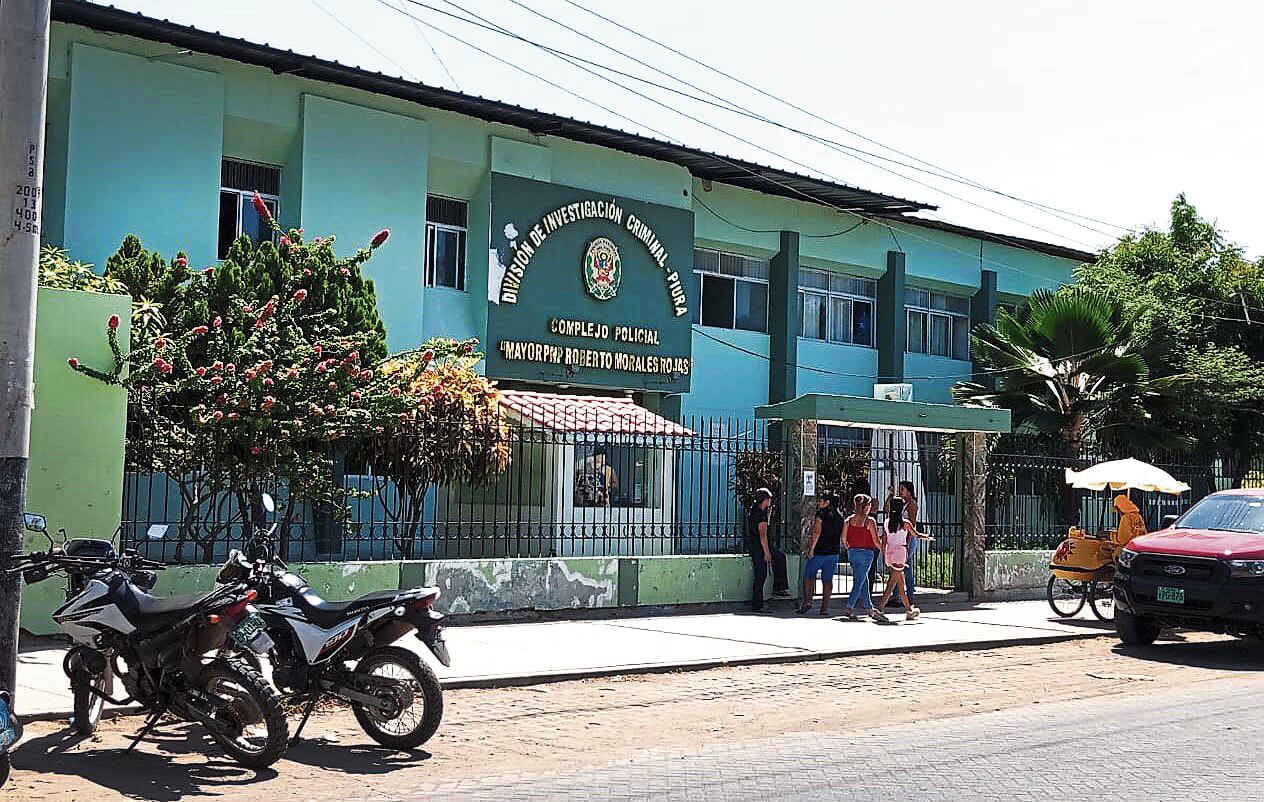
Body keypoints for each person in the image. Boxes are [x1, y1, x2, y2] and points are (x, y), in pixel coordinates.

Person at [876, 497, 933, 621]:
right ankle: (879, 608)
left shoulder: (887, 522)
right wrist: (926, 537)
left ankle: (909, 609)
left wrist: (885, 555)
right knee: (891, 584)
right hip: (900, 554)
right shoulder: (905, 523)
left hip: (890, 553)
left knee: (900, 584)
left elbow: (884, 541)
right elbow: (915, 534)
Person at [841, 494, 887, 622]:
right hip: (866, 554)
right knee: (859, 581)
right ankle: (849, 607)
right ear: (866, 507)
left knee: (863, 580)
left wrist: (848, 547)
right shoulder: (869, 521)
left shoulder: (848, 520)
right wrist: (884, 551)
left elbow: (844, 539)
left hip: (852, 553)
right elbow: (876, 541)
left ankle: (869, 608)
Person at [799, 491, 844, 615]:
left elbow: (816, 532)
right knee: (828, 580)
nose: (818, 503)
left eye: (821, 501)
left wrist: (811, 549)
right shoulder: (840, 517)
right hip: (833, 552)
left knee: (808, 577)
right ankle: (824, 608)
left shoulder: (821, 515)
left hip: (820, 551)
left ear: (827, 502)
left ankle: (808, 601)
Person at [747, 488, 790, 613]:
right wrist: (767, 552)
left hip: (755, 546)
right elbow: (763, 536)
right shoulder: (760, 515)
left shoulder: (754, 512)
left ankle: (778, 588)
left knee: (779, 558)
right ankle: (758, 604)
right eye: (768, 499)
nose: (770, 501)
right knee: (761, 575)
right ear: (764, 500)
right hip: (760, 548)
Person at [884, 481, 920, 605]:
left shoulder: (912, 505)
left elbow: (912, 524)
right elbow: (887, 509)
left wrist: (908, 542)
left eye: (902, 489)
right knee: (897, 567)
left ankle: (909, 596)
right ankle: (897, 596)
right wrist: (890, 495)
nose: (901, 492)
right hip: (900, 540)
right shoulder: (902, 504)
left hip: (907, 539)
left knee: (906, 567)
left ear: (909, 491)